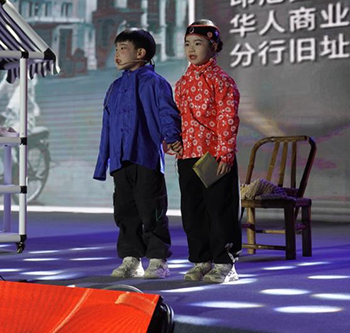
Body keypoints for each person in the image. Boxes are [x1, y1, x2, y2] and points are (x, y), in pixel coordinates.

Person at [94, 28, 183, 279]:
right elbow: (106, 126)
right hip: (120, 160)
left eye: (123, 49)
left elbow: (167, 112)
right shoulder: (114, 87)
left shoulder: (155, 83)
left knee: (152, 210)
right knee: (125, 212)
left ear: (141, 53)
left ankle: (158, 259)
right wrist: (103, 163)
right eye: (116, 49)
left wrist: (172, 137)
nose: (117, 55)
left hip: (146, 157)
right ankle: (131, 259)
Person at [174, 19, 242, 283]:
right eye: (187, 44)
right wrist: (173, 141)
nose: (191, 49)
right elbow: (177, 117)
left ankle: (225, 263)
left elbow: (228, 118)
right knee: (193, 211)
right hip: (188, 155)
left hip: (213, 155)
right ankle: (201, 260)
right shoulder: (182, 83)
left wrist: (225, 153)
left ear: (214, 46)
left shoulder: (222, 81)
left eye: (198, 43)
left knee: (220, 210)